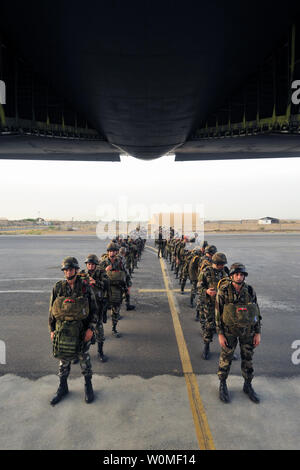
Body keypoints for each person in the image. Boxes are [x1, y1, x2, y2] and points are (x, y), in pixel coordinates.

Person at [48, 257, 98, 405]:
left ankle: (88, 387)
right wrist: (52, 330)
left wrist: (90, 329)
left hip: (81, 332)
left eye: (70, 269)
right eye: (65, 270)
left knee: (84, 360)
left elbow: (95, 310)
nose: (67, 272)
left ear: (76, 270)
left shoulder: (85, 288)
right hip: (62, 331)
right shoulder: (58, 288)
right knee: (64, 360)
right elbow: (51, 311)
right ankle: (63, 387)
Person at [215, 263, 262, 404]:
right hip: (229, 332)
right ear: (231, 276)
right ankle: (222, 385)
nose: (239, 277)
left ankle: (247, 385)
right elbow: (218, 314)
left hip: (247, 332)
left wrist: (257, 332)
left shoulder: (250, 290)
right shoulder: (223, 291)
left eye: (242, 274)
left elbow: (256, 312)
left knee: (248, 359)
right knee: (226, 359)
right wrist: (220, 334)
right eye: (237, 274)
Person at [197, 252, 228, 359]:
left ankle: (227, 350)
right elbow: (199, 287)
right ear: (215, 263)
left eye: (223, 264)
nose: (222, 266)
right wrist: (206, 291)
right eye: (221, 264)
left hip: (223, 305)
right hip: (210, 305)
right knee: (209, 327)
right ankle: (206, 347)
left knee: (226, 328)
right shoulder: (206, 272)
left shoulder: (225, 272)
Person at [99, 242, 133, 337]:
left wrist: (128, 286)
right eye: (110, 251)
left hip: (117, 289)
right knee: (102, 308)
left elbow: (126, 273)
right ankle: (100, 326)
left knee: (116, 310)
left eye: (113, 251)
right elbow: (97, 275)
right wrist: (105, 270)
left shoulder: (121, 262)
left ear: (117, 252)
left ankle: (114, 328)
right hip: (106, 289)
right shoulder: (103, 262)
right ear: (108, 252)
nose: (112, 253)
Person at [81, 254, 109, 362]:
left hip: (97, 307)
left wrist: (95, 282)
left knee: (99, 332)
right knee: (83, 332)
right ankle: (81, 353)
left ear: (96, 265)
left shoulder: (101, 272)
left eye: (92, 264)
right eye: (89, 264)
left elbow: (106, 284)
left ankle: (100, 352)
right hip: (86, 308)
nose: (90, 266)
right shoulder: (83, 274)